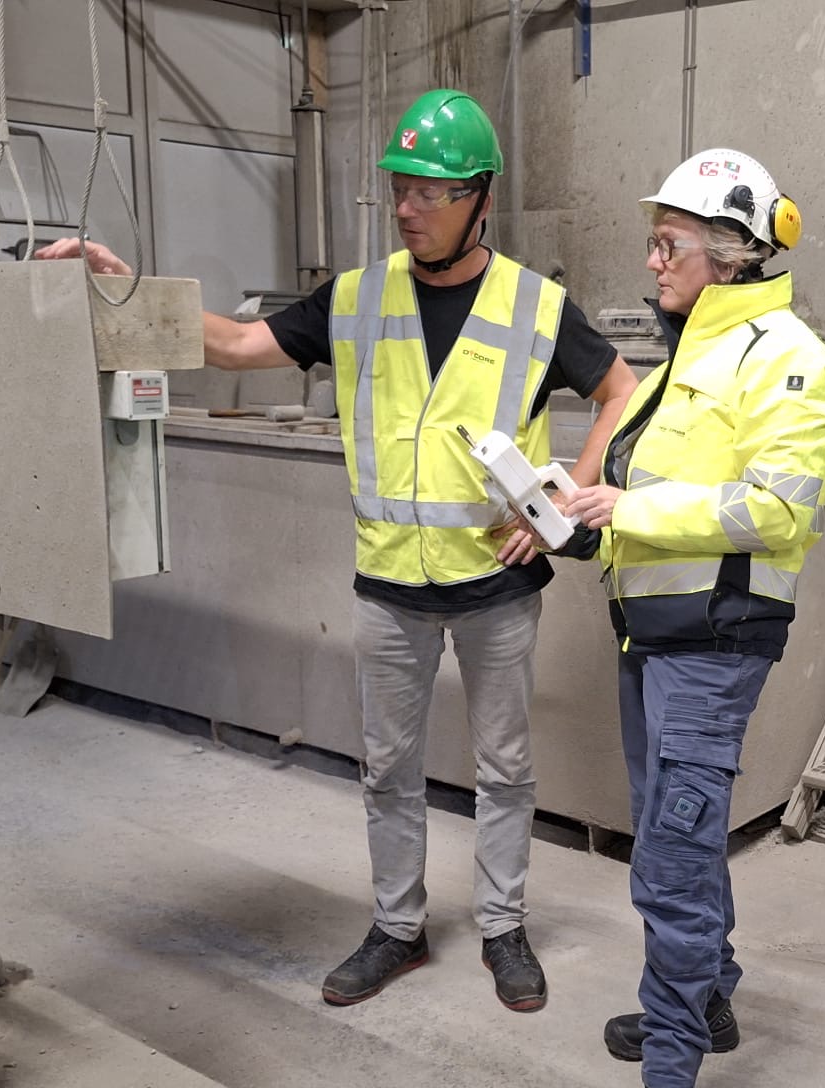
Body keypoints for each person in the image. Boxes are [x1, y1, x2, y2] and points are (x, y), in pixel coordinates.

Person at [39, 89, 637, 1013]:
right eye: (399, 188)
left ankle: (503, 927)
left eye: (428, 193)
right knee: (388, 771)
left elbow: (620, 393)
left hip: (495, 587)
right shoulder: (355, 299)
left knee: (507, 770)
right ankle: (397, 929)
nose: (405, 207)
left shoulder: (538, 305)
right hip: (389, 586)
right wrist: (120, 287)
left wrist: (563, 500)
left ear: (480, 197)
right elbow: (236, 346)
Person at [552, 149, 825, 1088]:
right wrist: (579, 514)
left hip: (714, 647)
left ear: (730, 251)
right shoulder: (681, 358)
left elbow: (773, 507)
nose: (652, 260)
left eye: (668, 242)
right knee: (676, 837)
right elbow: (644, 488)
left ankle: (672, 1075)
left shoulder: (789, 357)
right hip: (651, 634)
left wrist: (628, 503)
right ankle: (709, 996)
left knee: (672, 859)